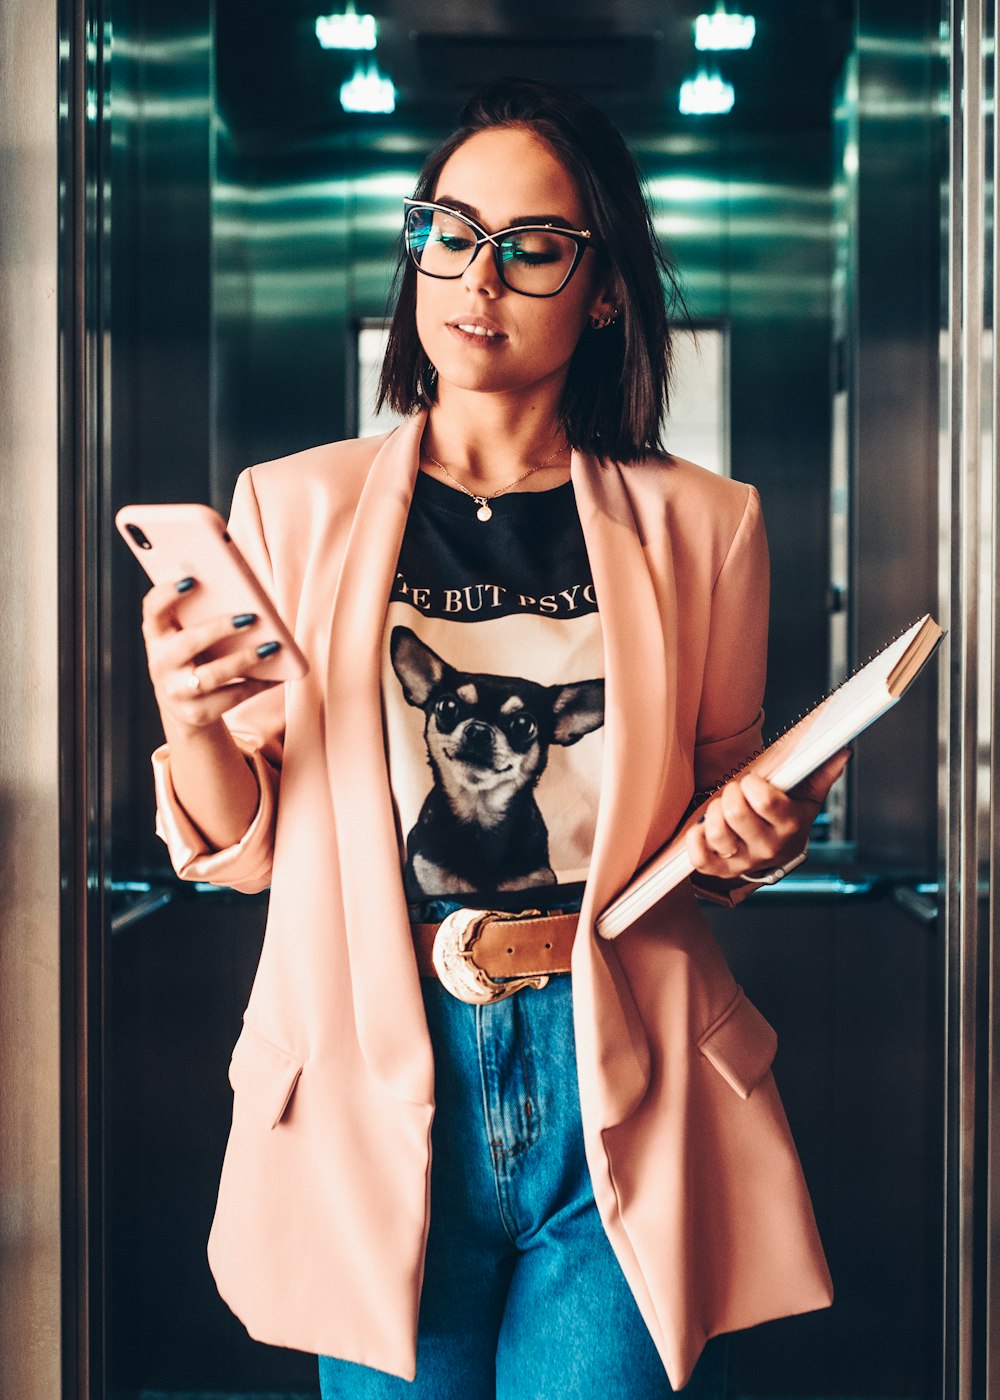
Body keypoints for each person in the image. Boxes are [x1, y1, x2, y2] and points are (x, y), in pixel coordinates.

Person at [143, 78, 848, 1400]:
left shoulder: (705, 525)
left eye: (533, 248)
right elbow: (240, 851)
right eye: (451, 231)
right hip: (375, 1062)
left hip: (618, 1060)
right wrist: (192, 728)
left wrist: (769, 828)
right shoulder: (293, 511)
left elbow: (724, 813)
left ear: (602, 292)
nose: (481, 275)